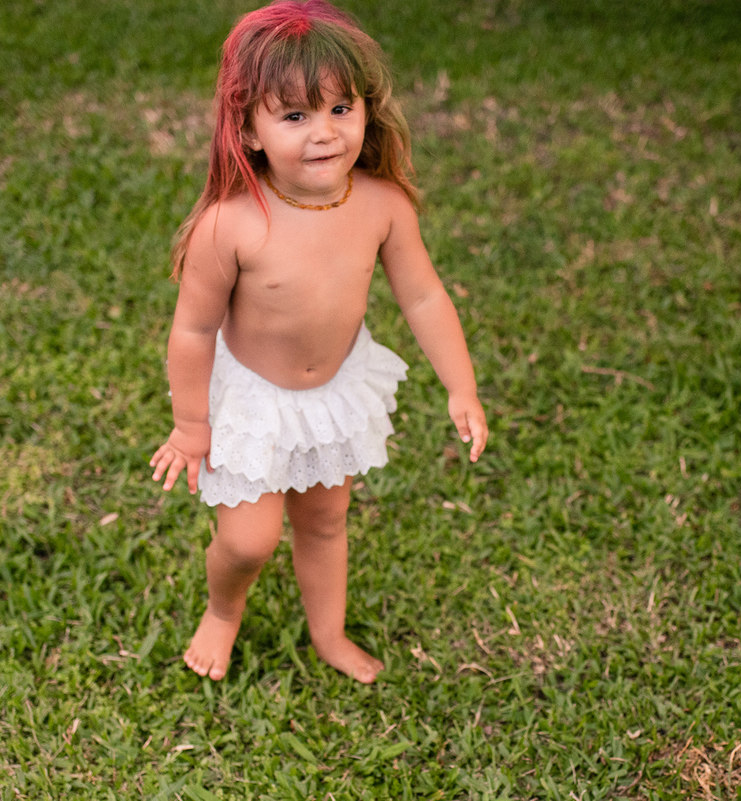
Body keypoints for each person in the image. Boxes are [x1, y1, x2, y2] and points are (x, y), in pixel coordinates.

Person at [149, 0, 487, 684]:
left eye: (341, 109)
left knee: (327, 516)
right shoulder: (233, 225)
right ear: (248, 128)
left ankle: (327, 633)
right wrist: (191, 426)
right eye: (296, 115)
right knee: (248, 540)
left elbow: (422, 295)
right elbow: (192, 329)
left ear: (367, 111)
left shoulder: (383, 204)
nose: (325, 132)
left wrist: (462, 384)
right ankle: (223, 608)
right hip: (252, 397)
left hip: (333, 388)